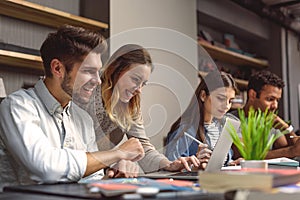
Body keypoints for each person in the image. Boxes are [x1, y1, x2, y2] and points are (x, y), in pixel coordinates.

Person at [0, 25, 145, 189]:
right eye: (89, 71)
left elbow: (91, 179)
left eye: (98, 72)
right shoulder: (17, 106)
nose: (98, 81)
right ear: (57, 68)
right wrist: (117, 154)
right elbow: (45, 168)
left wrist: (110, 176)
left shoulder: (83, 118)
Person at [79, 44, 200, 178]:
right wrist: (116, 158)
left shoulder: (130, 104)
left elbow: (142, 147)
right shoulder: (88, 93)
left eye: (143, 83)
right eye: (135, 80)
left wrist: (169, 165)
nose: (139, 89)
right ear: (115, 70)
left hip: (95, 175)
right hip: (77, 171)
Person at [165, 71, 239, 169]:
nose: (227, 106)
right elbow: (170, 167)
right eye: (221, 99)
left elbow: (221, 162)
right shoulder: (184, 130)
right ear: (203, 95)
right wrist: (195, 165)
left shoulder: (221, 127)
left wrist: (233, 163)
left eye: (230, 101)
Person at [231, 70, 300, 160]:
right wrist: (290, 151)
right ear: (252, 95)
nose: (275, 106)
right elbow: (244, 154)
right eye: (270, 99)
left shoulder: (269, 121)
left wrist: (286, 128)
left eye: (277, 100)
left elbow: (293, 149)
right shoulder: (233, 120)